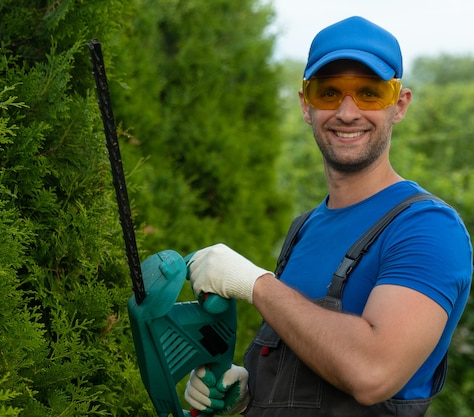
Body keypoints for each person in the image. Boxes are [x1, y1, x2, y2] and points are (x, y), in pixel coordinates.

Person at [183, 16, 473, 417]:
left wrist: (257, 285)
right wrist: (252, 389)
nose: (348, 112)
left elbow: (373, 372)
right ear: (306, 105)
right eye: (329, 92)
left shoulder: (426, 229)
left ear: (399, 104)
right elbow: (310, 348)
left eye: (370, 93)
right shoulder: (305, 228)